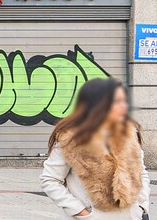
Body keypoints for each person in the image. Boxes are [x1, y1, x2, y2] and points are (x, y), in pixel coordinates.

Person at [39, 77, 151, 220]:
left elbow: (141, 173)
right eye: (117, 102)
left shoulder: (129, 133)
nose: (124, 106)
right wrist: (81, 213)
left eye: (124, 100)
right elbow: (50, 180)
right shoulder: (72, 139)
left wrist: (142, 205)